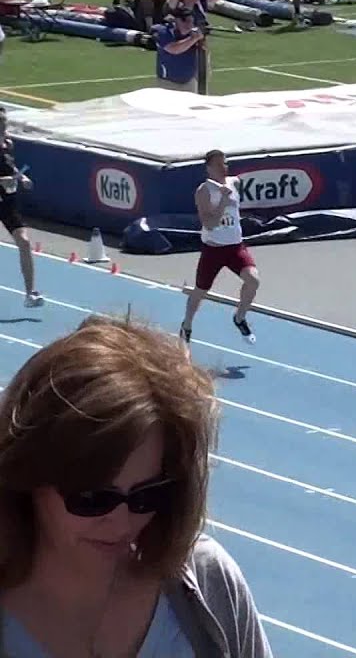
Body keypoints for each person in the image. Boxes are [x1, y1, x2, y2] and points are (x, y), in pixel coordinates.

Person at [0, 314, 273, 656]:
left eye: (148, 495)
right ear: (27, 474)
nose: (122, 521)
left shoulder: (206, 582)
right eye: (92, 498)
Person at [180, 150, 260, 347]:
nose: (224, 168)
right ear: (208, 168)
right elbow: (209, 224)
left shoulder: (234, 182)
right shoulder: (204, 191)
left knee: (253, 280)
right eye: (218, 165)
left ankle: (239, 317)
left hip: (235, 247)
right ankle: (186, 325)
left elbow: (242, 183)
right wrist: (224, 201)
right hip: (213, 249)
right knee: (200, 291)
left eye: (225, 163)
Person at [0, 107, 43, 309]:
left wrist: (21, 177)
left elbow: (10, 167)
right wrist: (4, 181)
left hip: (7, 203)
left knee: (24, 243)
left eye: (4, 121)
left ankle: (29, 294)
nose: (4, 125)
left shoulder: (8, 144)